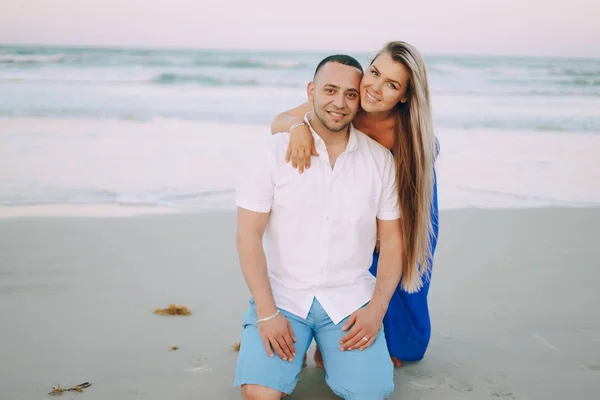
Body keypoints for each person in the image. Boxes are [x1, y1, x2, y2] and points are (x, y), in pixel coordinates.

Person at [234, 54, 419, 399]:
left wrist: (376, 311)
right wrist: (266, 312)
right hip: (284, 297)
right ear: (311, 91)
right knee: (260, 394)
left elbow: (393, 243)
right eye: (330, 90)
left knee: (371, 393)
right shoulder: (273, 151)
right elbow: (248, 235)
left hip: (349, 301)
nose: (339, 102)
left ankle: (331, 352)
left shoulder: (380, 160)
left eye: (350, 94)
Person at [270, 41, 439, 368]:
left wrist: (383, 232)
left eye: (391, 85)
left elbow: (405, 206)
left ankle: (393, 337)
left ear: (404, 95)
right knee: (355, 269)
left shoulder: (407, 134)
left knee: (407, 289)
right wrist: (298, 127)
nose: (375, 88)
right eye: (374, 73)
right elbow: (278, 120)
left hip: (410, 204)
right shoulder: (348, 104)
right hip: (362, 200)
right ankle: (333, 337)